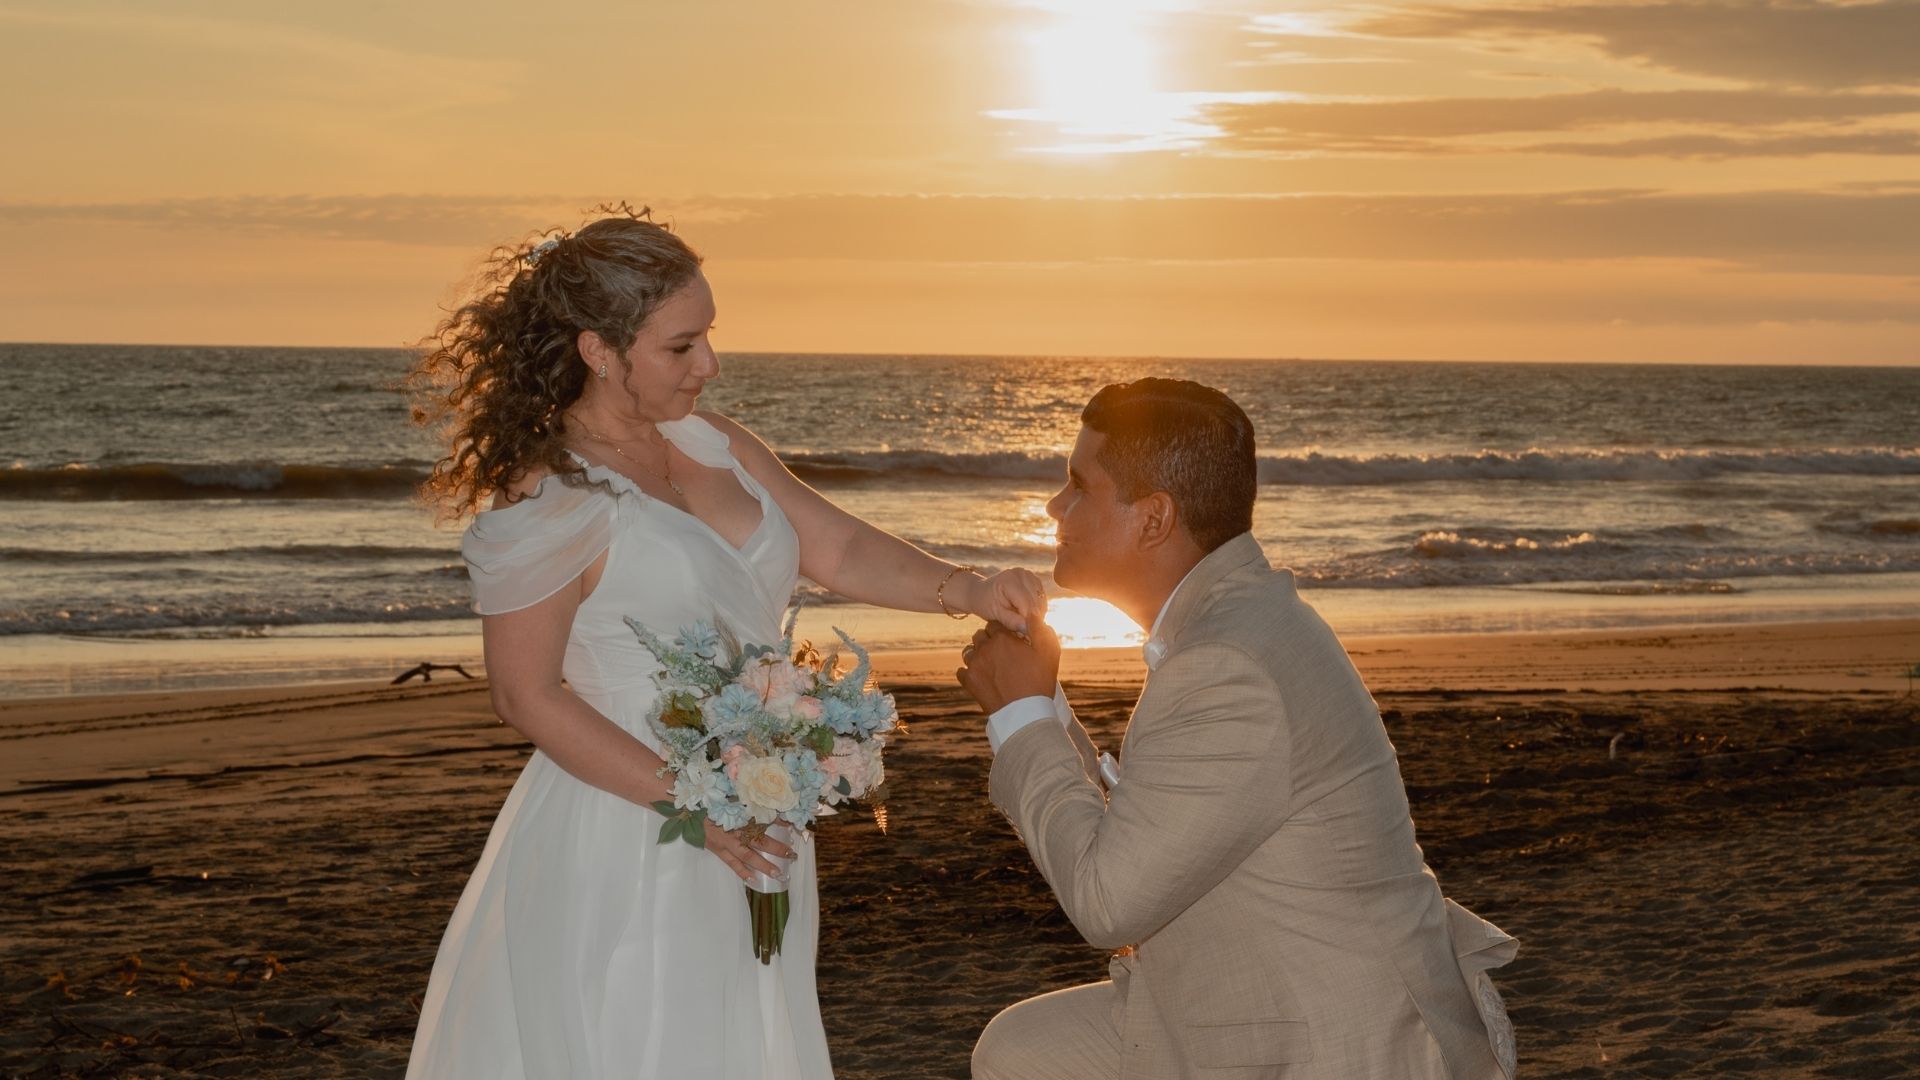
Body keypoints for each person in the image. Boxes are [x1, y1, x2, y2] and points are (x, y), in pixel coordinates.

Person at [404, 205, 1045, 1080]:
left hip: (757, 813)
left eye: (709, 335)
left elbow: (839, 546)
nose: (709, 364)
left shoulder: (716, 443)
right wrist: (696, 811)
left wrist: (969, 589)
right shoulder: (551, 491)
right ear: (598, 349)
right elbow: (526, 694)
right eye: (680, 346)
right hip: (635, 825)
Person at [957, 378, 1518, 1080]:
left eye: (1077, 485)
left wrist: (1021, 716)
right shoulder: (1235, 619)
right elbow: (1161, 819)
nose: (1053, 505)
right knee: (1021, 1052)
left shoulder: (1228, 666)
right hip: (1258, 992)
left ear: (1153, 520)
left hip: (1341, 1044)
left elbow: (1108, 904)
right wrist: (1041, 702)